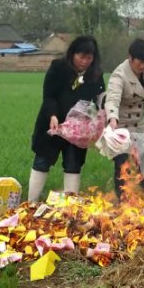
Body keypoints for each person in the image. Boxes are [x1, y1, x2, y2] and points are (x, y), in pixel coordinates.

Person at [28, 35, 105, 202]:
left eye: (89, 57)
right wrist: (53, 115)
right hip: (53, 124)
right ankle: (31, 203)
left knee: (73, 165)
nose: (85, 61)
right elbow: (48, 95)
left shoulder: (95, 74)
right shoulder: (58, 68)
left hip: (78, 129)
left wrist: (102, 119)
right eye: (81, 56)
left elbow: (100, 98)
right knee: (42, 161)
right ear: (72, 54)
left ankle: (70, 208)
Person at [105, 38, 144, 199]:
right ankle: (122, 201)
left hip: (139, 123)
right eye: (140, 62)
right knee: (122, 165)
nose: (143, 66)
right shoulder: (119, 75)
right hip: (120, 125)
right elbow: (112, 99)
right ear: (130, 57)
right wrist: (112, 119)